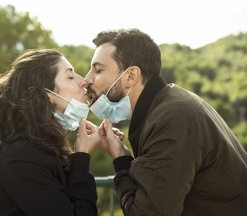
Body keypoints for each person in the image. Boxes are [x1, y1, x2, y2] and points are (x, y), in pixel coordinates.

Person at [85, 28, 247, 215]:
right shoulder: (170, 103)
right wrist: (121, 154)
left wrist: (121, 161)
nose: (87, 79)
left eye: (98, 70)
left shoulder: (171, 121)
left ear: (131, 76)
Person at [0, 48, 101, 216]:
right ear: (47, 94)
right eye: (70, 76)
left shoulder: (39, 147)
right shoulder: (21, 158)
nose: (84, 82)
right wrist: (82, 156)